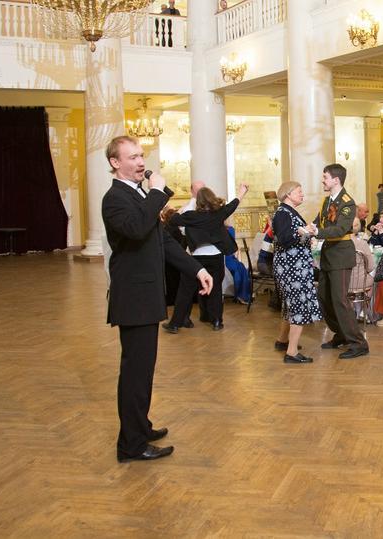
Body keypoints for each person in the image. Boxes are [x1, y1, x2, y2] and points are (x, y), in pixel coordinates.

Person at [101, 135, 212, 462]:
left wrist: (197, 269)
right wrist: (157, 193)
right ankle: (131, 445)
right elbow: (136, 229)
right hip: (133, 298)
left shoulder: (138, 195)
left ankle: (140, 427)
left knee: (144, 371)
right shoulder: (115, 198)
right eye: (132, 157)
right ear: (115, 163)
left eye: (141, 155)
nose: (141, 162)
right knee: (135, 374)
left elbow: (165, 243)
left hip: (146, 297)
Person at [164, 184, 248, 332]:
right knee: (216, 289)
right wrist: (241, 192)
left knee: (186, 290)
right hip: (215, 256)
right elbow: (233, 205)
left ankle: (175, 324)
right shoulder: (219, 213)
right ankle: (217, 321)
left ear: (198, 202)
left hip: (196, 259)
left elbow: (173, 220)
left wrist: (181, 208)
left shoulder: (191, 216)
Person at [307, 163, 370, 359]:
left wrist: (317, 232)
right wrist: (309, 228)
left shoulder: (347, 203)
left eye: (325, 177)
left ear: (336, 180)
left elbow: (341, 229)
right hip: (328, 255)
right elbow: (319, 221)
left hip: (341, 255)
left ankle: (358, 343)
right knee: (324, 298)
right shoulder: (327, 201)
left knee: (340, 300)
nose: (322, 181)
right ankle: (341, 334)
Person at [272, 181, 321, 363]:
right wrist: (304, 232)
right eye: (299, 191)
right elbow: (285, 239)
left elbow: (292, 236)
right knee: (298, 306)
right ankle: (291, 353)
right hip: (291, 268)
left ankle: (282, 341)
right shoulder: (283, 213)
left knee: (290, 305)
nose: (302, 194)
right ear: (288, 194)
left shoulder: (287, 212)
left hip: (293, 266)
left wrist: (306, 233)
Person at [224, 224, 251, 304]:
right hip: (223, 258)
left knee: (240, 267)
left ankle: (242, 294)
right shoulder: (220, 230)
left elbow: (234, 247)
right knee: (239, 268)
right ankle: (241, 295)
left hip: (230, 256)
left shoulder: (230, 229)